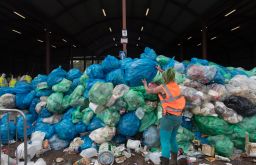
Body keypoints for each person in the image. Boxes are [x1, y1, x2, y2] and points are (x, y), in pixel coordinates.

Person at [142, 66, 186, 165]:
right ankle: (174, 161)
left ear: (165, 78)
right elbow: (169, 76)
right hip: (178, 117)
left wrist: (145, 84)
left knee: (165, 142)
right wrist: (161, 70)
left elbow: (149, 91)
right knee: (173, 139)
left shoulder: (163, 87)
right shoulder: (175, 84)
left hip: (168, 119)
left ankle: (165, 163)